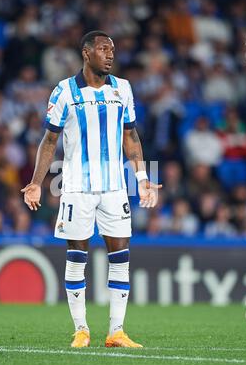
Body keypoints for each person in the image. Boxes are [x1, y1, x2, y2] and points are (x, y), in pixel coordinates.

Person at [21, 31, 162, 348]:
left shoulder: (122, 89)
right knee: (77, 255)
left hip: (114, 188)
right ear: (86, 53)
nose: (110, 54)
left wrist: (141, 180)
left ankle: (116, 331)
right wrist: (35, 182)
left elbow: (131, 138)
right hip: (76, 188)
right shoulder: (64, 92)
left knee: (121, 255)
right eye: (103, 49)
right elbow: (50, 141)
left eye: (112, 49)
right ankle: (81, 330)